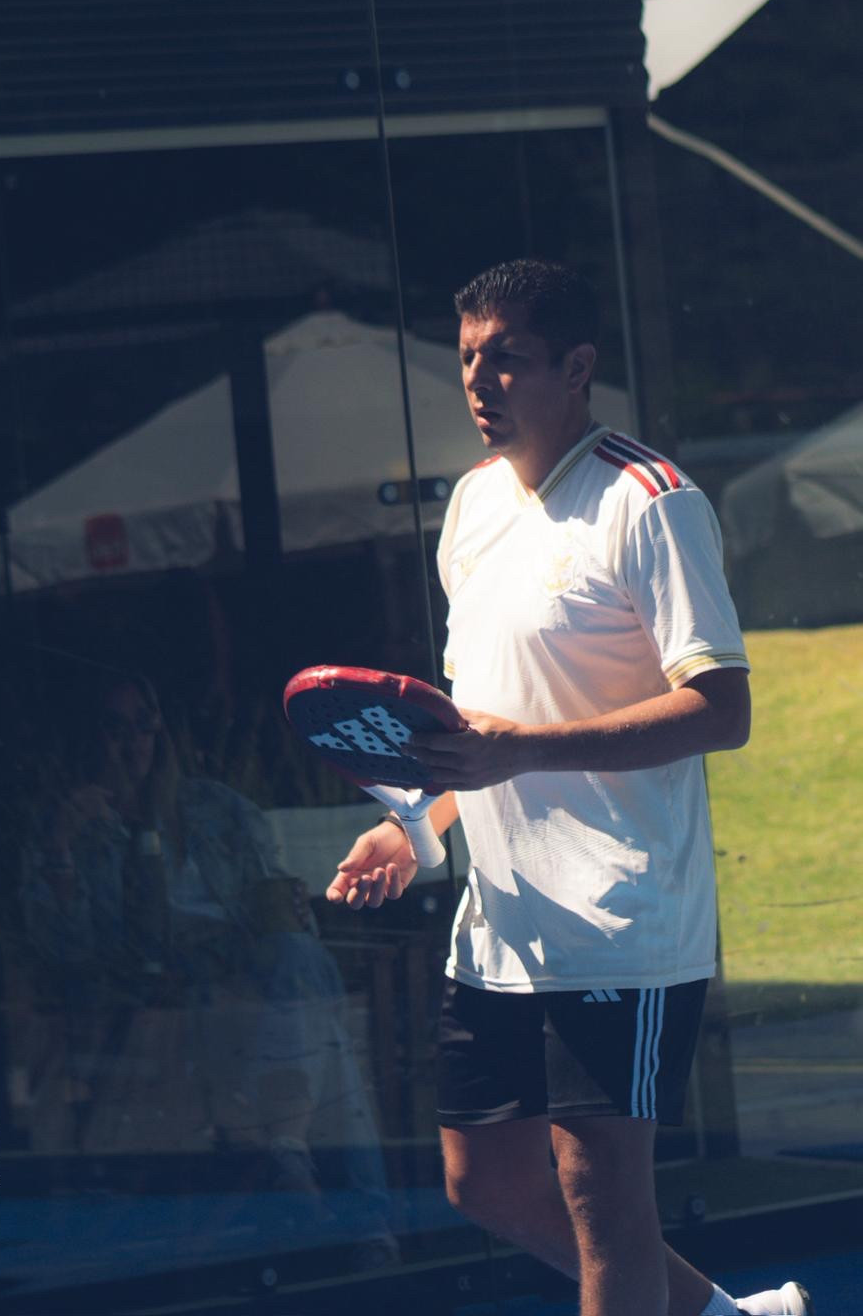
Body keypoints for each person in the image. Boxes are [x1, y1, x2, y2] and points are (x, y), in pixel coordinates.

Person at [326, 261, 811, 1316]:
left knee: (605, 1209)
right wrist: (414, 827)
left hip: (622, 925)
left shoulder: (653, 501)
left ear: (578, 367)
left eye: (506, 357)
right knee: (485, 1183)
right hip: (501, 926)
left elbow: (722, 710)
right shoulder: (470, 507)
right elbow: (479, 724)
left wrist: (524, 752)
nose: (477, 379)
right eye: (467, 356)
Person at [21, 670, 395, 1262]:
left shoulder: (213, 809)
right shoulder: (71, 827)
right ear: (89, 738)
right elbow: (63, 950)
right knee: (326, 1036)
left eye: (144, 726)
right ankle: (360, 1218)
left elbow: (274, 908)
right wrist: (61, 849)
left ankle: (290, 1152)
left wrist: (292, 910)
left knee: (298, 961)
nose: (132, 744)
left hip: (245, 977)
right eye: (115, 729)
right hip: (160, 995)